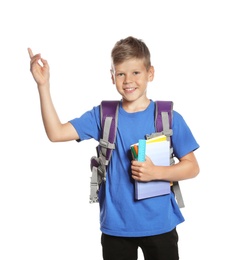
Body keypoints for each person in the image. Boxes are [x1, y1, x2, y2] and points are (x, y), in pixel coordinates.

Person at [28, 36, 200, 260]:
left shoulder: (169, 117)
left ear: (150, 73)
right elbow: (56, 133)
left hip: (161, 224)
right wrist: (43, 86)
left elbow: (192, 167)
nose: (128, 80)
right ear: (112, 77)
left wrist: (157, 172)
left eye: (136, 72)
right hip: (116, 227)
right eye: (121, 74)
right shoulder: (103, 115)